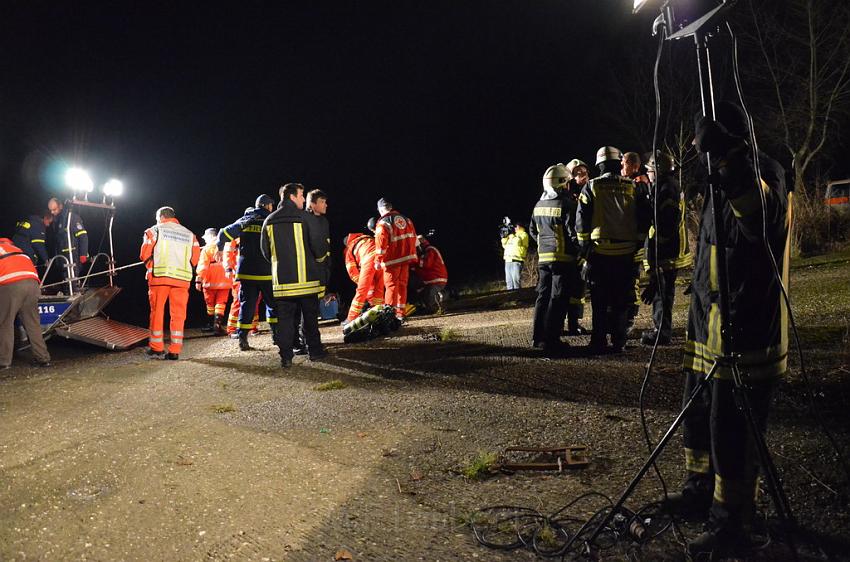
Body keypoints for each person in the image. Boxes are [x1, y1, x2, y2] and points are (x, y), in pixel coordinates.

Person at [666, 102, 790, 557]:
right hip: (709, 332)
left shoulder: (765, 170)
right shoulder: (718, 181)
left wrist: (731, 163)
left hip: (747, 334)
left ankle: (733, 522)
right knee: (699, 419)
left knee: (732, 430)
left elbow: (761, 220)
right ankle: (698, 489)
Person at [576, 147, 650, 353]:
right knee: (621, 300)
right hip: (626, 253)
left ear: (599, 165)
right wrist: (638, 244)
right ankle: (619, 341)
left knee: (599, 300)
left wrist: (585, 249)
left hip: (600, 253)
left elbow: (581, 222)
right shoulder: (632, 186)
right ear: (618, 164)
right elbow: (644, 217)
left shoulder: (591, 187)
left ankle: (598, 341)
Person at [260, 183, 328, 368]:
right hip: (308, 281)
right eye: (301, 195)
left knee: (285, 321)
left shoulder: (269, 220)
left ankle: (286, 357)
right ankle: (315, 352)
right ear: (292, 197)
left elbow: (265, 251)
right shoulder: (306, 217)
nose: (304, 199)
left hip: (282, 283)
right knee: (310, 319)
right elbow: (318, 246)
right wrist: (320, 261)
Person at [640, 151, 692, 346]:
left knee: (662, 293)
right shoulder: (665, 186)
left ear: (658, 170)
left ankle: (662, 332)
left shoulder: (666, 189)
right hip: (668, 249)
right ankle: (661, 328)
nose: (648, 173)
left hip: (667, 250)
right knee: (663, 291)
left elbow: (667, 225)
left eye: (650, 170)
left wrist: (656, 256)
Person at [529, 163, 579, 357]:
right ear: (562, 184)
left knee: (542, 297)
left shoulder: (538, 205)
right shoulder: (566, 204)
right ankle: (552, 341)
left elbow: (534, 231)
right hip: (562, 258)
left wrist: (544, 245)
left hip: (544, 259)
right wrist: (579, 252)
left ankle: (537, 337)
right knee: (558, 299)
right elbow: (573, 232)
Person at [140, 206, 200, 360]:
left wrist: (152, 267)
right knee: (179, 315)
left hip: (160, 277)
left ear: (160, 217)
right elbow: (195, 259)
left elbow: (144, 254)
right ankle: (175, 350)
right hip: (182, 279)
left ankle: (156, 347)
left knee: (157, 312)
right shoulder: (189, 234)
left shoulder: (154, 230)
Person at [218, 195, 277, 351]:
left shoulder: (246, 219)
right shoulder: (272, 219)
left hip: (247, 272)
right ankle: (276, 336)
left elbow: (223, 234)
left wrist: (218, 248)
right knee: (272, 305)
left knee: (247, 305)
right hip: (267, 271)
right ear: (268, 206)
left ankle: (243, 338)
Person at [0, 237, 51, 369]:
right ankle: (43, 358)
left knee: (5, 322)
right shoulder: (17, 249)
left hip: (10, 284)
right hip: (33, 283)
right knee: (33, 323)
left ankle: (4, 361)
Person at [622, 152, 651, 336]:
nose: (621, 167)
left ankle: (629, 319)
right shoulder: (631, 183)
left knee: (631, 281)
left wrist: (638, 240)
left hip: (635, 243)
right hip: (630, 241)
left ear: (634, 166)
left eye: (624, 163)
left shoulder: (639, 184)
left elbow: (642, 215)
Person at [374, 198, 417, 321]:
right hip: (406, 258)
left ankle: (390, 315)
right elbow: (414, 237)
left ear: (381, 209)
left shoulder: (383, 223)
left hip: (392, 260)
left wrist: (378, 260)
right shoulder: (406, 219)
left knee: (391, 287)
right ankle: (400, 314)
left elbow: (381, 244)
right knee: (402, 285)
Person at [564, 159, 590, 335]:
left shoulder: (591, 190)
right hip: (571, 250)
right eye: (577, 173)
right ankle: (566, 324)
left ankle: (575, 323)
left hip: (585, 248)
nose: (582, 175)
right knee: (569, 288)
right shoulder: (566, 197)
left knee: (579, 289)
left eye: (583, 171)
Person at [343, 231, 385, 323]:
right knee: (379, 289)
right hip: (381, 259)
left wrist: (361, 282)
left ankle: (351, 318)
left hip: (368, 260)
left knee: (361, 290)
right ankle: (378, 312)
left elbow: (352, 272)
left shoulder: (349, 248)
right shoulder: (366, 238)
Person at [196, 228, 231, 335]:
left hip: (209, 281)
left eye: (206, 237)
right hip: (225, 280)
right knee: (221, 304)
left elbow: (203, 266)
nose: (205, 240)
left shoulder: (207, 249)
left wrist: (198, 280)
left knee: (210, 304)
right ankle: (217, 325)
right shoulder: (226, 246)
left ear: (211, 236)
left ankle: (210, 325)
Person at [48, 197, 88, 288]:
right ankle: (68, 290)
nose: (52, 212)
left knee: (72, 277)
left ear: (60, 206)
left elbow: (83, 236)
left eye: (54, 209)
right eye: (50, 210)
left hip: (73, 254)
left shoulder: (72, 217)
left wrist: (83, 254)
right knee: (65, 278)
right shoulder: (56, 221)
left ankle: (74, 290)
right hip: (62, 256)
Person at [411, 235, 448, 314]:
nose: (416, 250)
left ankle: (443, 297)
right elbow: (418, 269)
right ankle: (428, 306)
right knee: (420, 291)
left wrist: (414, 259)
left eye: (416, 247)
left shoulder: (430, 250)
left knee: (430, 298)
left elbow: (425, 264)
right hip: (430, 281)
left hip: (436, 280)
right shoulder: (425, 252)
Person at [501, 222, 528, 290]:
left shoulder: (524, 234)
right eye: (514, 226)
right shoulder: (512, 236)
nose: (515, 228)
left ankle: (518, 298)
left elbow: (517, 243)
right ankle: (511, 299)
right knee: (509, 282)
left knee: (516, 282)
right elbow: (504, 245)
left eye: (516, 226)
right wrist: (504, 236)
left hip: (517, 261)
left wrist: (511, 235)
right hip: (508, 261)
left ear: (521, 227)